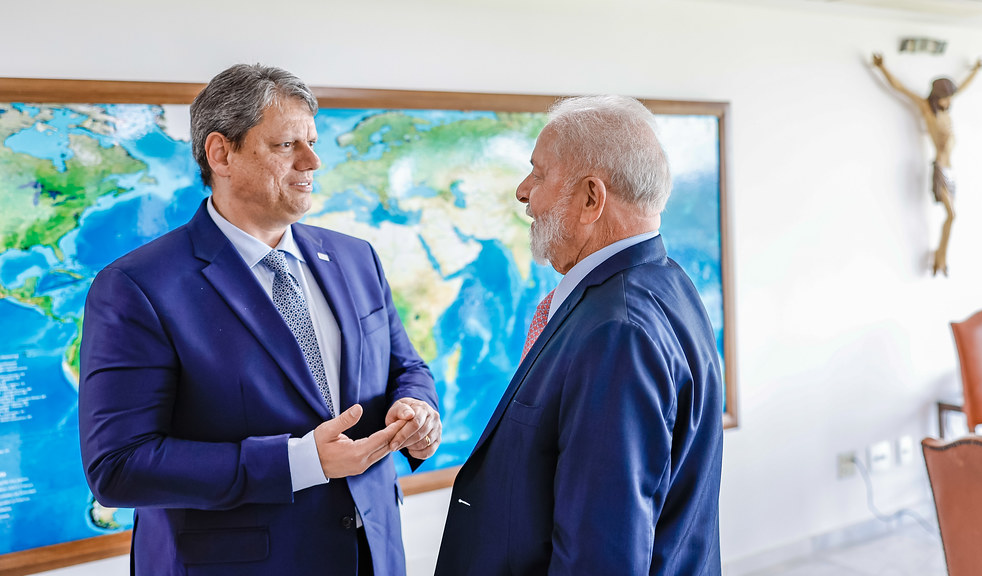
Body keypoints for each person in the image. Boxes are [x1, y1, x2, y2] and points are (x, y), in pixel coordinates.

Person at [79, 64, 441, 576]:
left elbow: (406, 367)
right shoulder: (136, 287)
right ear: (221, 154)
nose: (312, 161)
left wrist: (417, 409)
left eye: (312, 142)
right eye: (286, 144)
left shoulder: (356, 256)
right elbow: (118, 467)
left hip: (373, 554)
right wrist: (301, 462)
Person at [434, 95, 724, 575]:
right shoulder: (667, 281)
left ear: (591, 198)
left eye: (539, 174)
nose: (523, 191)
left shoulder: (618, 333)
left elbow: (602, 556)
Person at [872, 53, 982, 276]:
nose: (949, 101)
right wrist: (882, 67)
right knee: (951, 215)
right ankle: (940, 257)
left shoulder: (946, 111)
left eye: (950, 98)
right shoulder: (927, 110)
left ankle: (941, 256)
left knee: (952, 217)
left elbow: (962, 87)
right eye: (946, 98)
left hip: (951, 170)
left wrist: (976, 70)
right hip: (940, 168)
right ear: (937, 96)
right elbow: (900, 88)